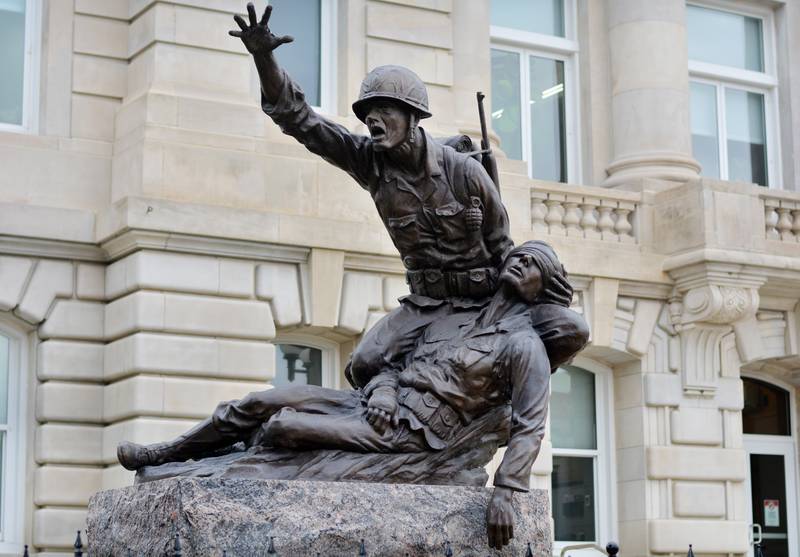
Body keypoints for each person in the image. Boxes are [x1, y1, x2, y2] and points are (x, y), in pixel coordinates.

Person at [117, 240, 588, 550]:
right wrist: (381, 389)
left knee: (281, 426)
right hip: (377, 406)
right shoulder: (453, 316)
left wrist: (507, 489)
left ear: (541, 288)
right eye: (520, 254)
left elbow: (530, 424)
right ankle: (166, 455)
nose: (521, 261)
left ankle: (207, 467)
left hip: (412, 434)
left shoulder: (523, 346)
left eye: (535, 264)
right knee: (258, 403)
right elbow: (388, 365)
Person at [227, 3, 588, 393]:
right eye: (368, 114)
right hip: (425, 304)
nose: (373, 120)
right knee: (363, 366)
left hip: (479, 304)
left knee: (569, 331)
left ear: (414, 117)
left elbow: (503, 248)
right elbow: (300, 119)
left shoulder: (464, 172)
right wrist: (265, 57)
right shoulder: (369, 162)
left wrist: (514, 308)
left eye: (384, 110)